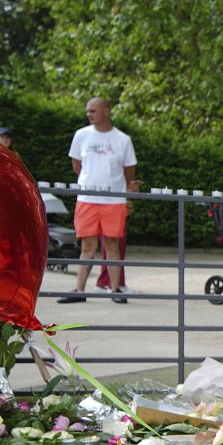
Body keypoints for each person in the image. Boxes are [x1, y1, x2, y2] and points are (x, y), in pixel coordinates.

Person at [59, 97, 137, 304]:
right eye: (87, 111)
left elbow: (129, 170)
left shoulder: (122, 139)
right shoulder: (81, 135)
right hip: (87, 198)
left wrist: (122, 190)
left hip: (114, 200)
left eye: (93, 111)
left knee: (112, 244)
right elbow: (77, 165)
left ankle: (114, 290)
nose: (89, 114)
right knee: (87, 246)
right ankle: (79, 289)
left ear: (106, 111)